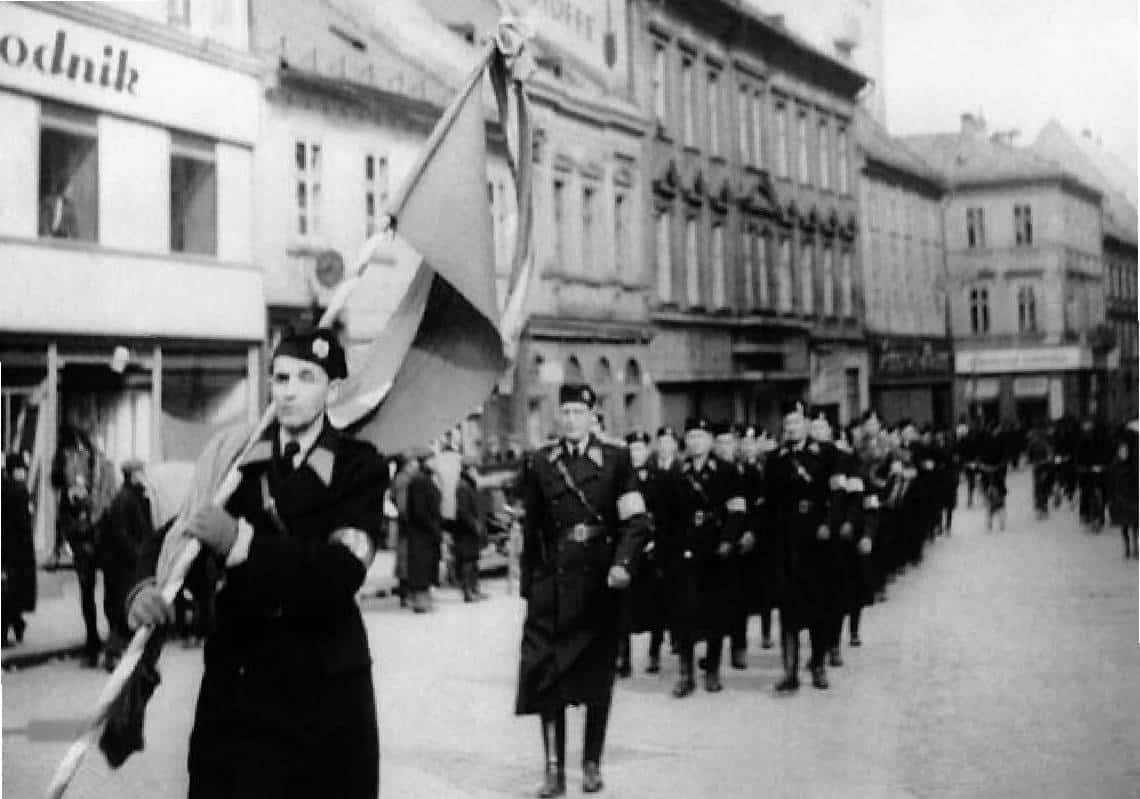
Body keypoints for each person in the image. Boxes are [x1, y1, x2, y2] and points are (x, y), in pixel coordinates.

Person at [126, 327, 387, 799]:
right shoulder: (236, 460)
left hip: (323, 695)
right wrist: (145, 588)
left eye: (306, 377)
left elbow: (342, 570)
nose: (289, 390)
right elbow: (175, 534)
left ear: (332, 388)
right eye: (281, 377)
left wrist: (244, 545)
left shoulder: (359, 466)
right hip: (238, 690)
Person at [515, 383, 649, 796]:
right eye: (566, 412)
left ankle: (591, 762)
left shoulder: (616, 460)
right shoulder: (540, 462)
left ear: (594, 417)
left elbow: (636, 522)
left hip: (598, 586)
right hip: (552, 588)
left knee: (596, 679)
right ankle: (554, 769)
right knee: (547, 678)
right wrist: (530, 586)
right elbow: (532, 526)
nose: (572, 420)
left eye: (579, 412)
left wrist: (623, 564)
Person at [665, 416, 748, 697]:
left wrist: (728, 540)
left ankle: (712, 669)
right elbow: (668, 518)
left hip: (715, 550)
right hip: (685, 550)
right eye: (691, 437)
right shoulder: (676, 473)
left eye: (701, 436)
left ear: (711, 441)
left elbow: (737, 511)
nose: (695, 442)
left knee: (715, 611)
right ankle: (686, 673)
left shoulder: (727, 471)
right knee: (683, 613)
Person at [767, 400, 835, 691]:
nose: (792, 428)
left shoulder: (826, 455)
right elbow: (768, 502)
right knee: (788, 606)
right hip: (785, 541)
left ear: (807, 424)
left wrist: (829, 525)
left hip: (816, 540)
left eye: (797, 422)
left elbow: (837, 496)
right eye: (788, 424)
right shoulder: (775, 460)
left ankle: (818, 664)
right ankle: (790, 671)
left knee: (818, 604)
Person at [617, 430, 672, 676]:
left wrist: (655, 541)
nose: (636, 454)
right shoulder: (620, 480)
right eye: (632, 449)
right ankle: (624, 658)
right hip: (630, 549)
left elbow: (666, 514)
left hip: (653, 549)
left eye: (640, 449)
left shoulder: (659, 477)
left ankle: (654, 652)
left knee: (657, 601)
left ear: (647, 450)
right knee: (624, 604)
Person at [101, 459, 155, 670]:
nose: (144, 475)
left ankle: (120, 654)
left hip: (127, 565)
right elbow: (122, 536)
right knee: (124, 611)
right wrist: (139, 556)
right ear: (132, 475)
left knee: (125, 610)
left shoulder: (134, 496)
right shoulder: (125, 499)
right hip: (124, 568)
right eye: (141, 472)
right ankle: (113, 654)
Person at [2, 453, 36, 647]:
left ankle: (16, 624)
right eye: (21, 469)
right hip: (19, 551)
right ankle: (11, 628)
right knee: (11, 592)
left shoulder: (5, 487)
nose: (24, 472)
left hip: (7, 549)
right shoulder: (19, 490)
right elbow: (23, 524)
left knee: (9, 591)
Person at [405, 448, 443, 613]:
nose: (436, 463)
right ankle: (421, 601)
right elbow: (421, 511)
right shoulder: (420, 481)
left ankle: (423, 598)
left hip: (424, 532)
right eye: (433, 460)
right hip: (422, 533)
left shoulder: (424, 479)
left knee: (424, 565)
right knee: (421, 566)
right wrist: (433, 527)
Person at [453, 456, 488, 602]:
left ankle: (474, 588)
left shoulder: (469, 484)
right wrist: (475, 525)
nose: (476, 471)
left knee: (473, 561)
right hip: (466, 531)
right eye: (474, 468)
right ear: (468, 469)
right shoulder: (463, 487)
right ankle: (468, 591)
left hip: (472, 530)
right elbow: (463, 512)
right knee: (467, 561)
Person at [1108, 431, 1138, 559]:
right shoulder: (1115, 465)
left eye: (1125, 451)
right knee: (1124, 524)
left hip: (1132, 497)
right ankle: (1127, 547)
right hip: (1120, 497)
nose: (1123, 453)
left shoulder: (1134, 465)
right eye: (1121, 451)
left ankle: (1135, 546)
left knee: (1134, 524)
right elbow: (1111, 481)